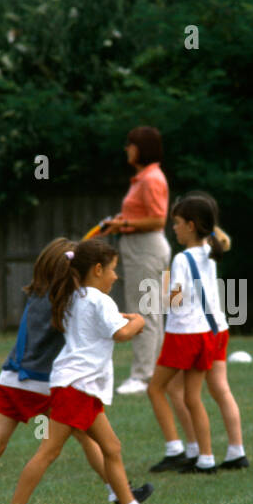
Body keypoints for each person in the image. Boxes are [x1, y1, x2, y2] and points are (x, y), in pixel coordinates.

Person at [0, 238, 153, 504]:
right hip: (44, 384)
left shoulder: (38, 298)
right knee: (84, 437)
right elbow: (96, 322)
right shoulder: (67, 299)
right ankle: (119, 493)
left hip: (11, 377)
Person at [1, 238, 173, 504]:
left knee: (111, 447)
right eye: (112, 270)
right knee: (49, 452)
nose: (116, 276)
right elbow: (120, 334)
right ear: (96, 269)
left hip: (77, 386)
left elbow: (100, 326)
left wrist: (125, 320)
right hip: (77, 387)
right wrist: (139, 322)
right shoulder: (99, 300)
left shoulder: (75, 297)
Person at [145, 195, 227, 474]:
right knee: (193, 397)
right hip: (205, 333)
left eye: (177, 224)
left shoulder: (181, 258)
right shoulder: (209, 252)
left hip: (183, 333)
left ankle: (175, 448)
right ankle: (206, 459)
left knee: (155, 388)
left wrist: (158, 298)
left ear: (191, 225)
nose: (174, 229)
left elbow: (177, 298)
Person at [102, 126, 170, 395]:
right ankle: (154, 373)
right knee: (149, 310)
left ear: (142, 147)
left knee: (144, 312)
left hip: (146, 249)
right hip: (140, 247)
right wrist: (121, 224)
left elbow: (158, 219)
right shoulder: (144, 178)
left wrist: (125, 223)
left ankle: (144, 377)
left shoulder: (152, 178)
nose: (126, 149)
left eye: (130, 145)